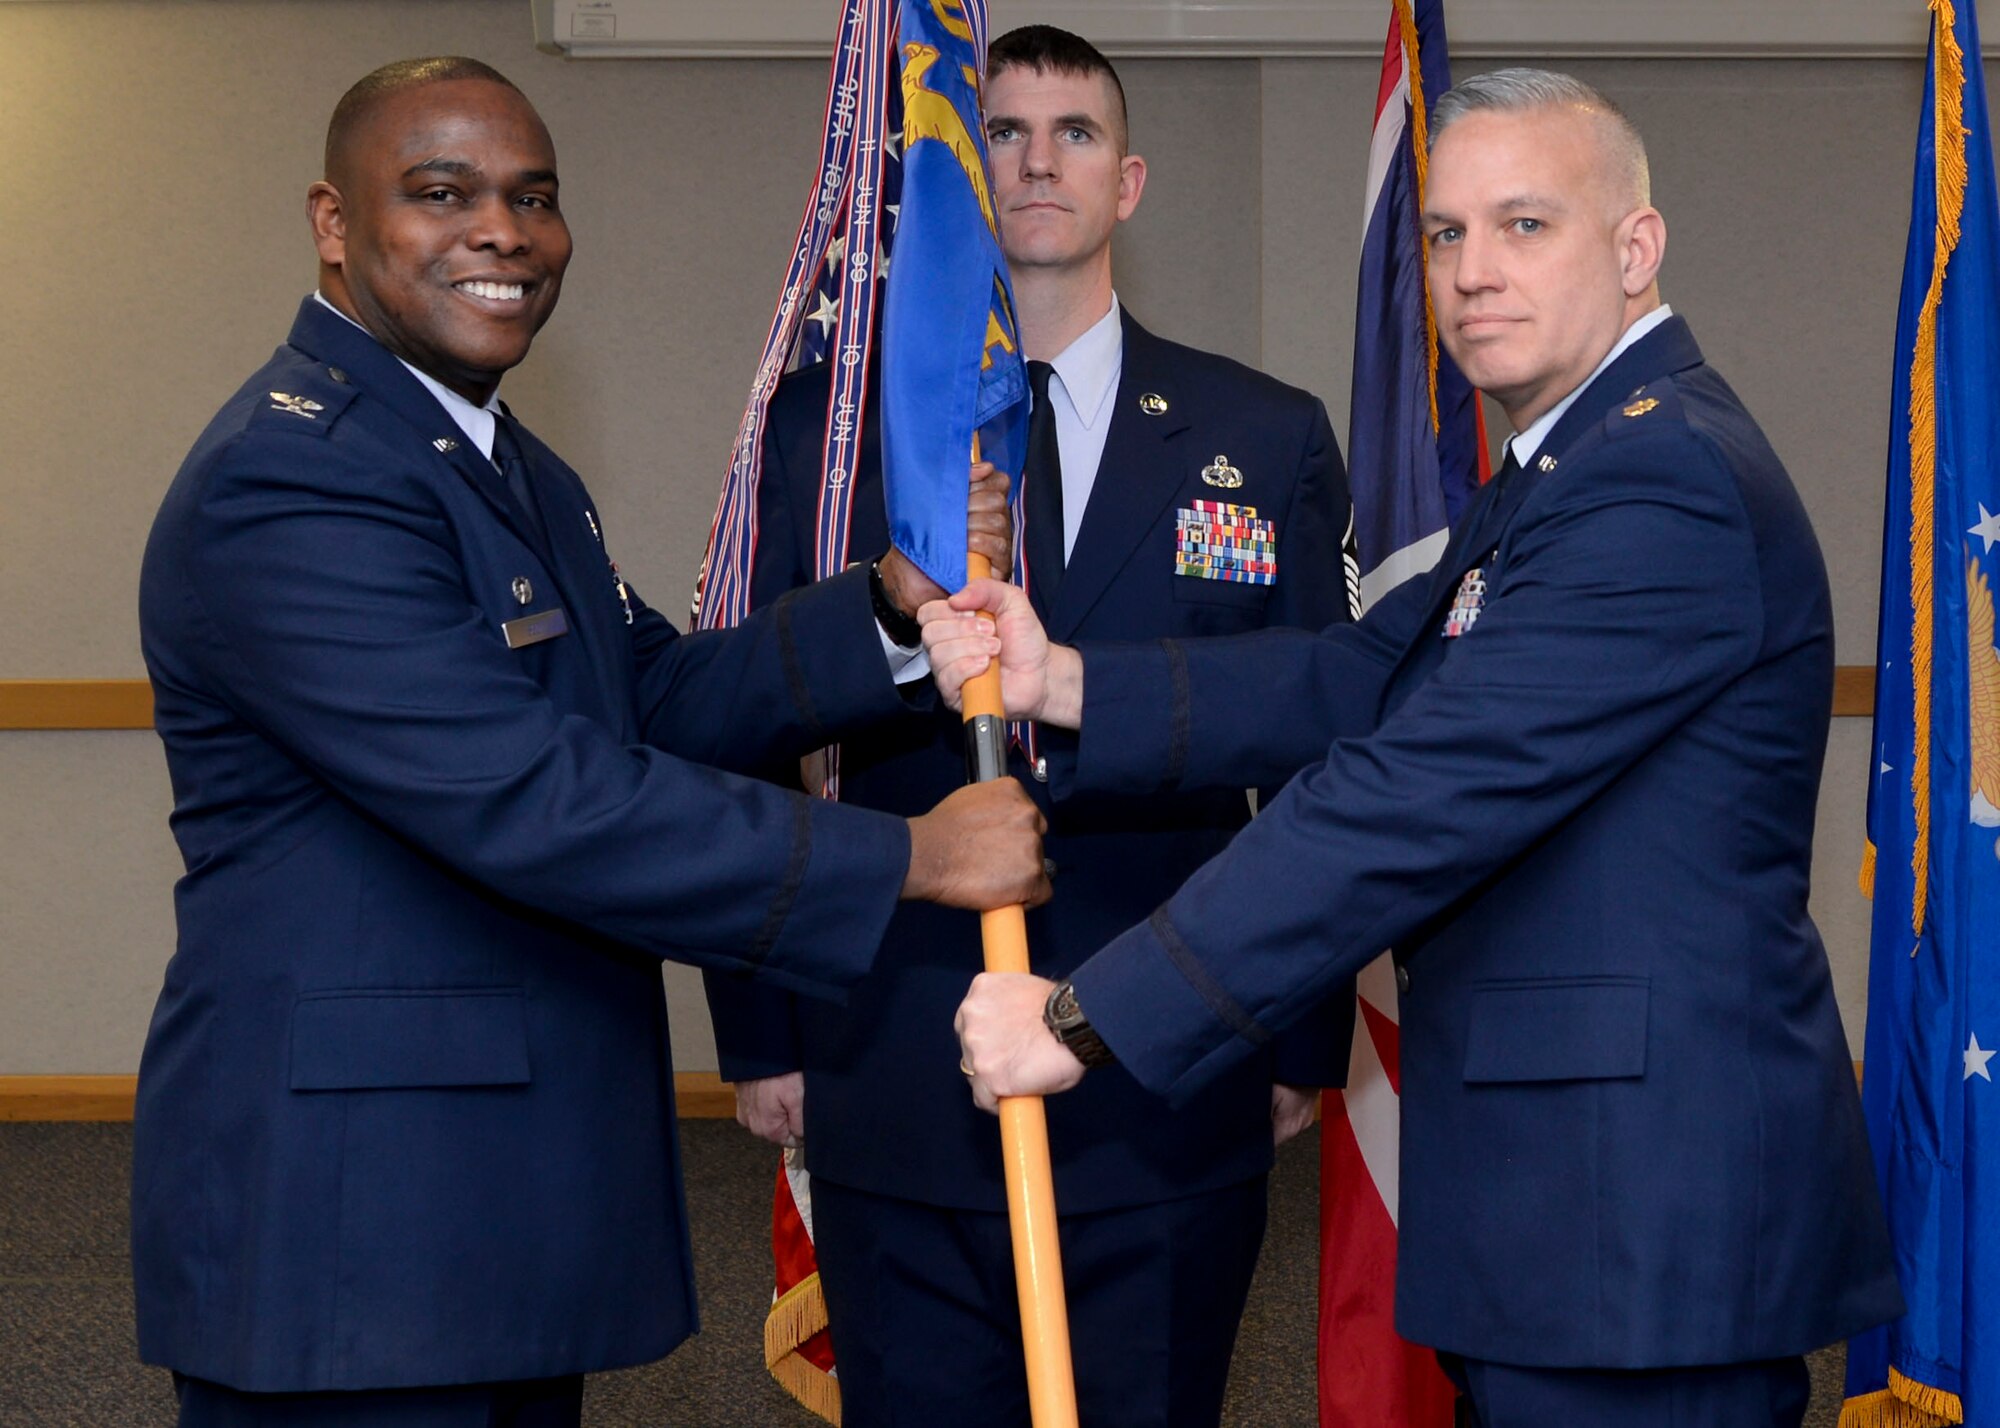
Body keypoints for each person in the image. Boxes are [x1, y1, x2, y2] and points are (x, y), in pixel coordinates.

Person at [933, 68, 1902, 1428]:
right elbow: (1363, 673)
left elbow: (1414, 795)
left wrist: (1087, 1018)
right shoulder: (1568, 467)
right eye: (1446, 236)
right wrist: (1069, 678)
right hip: (1572, 1206)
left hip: (1640, 1224)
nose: (1471, 273)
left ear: (1635, 249)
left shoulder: (1657, 477)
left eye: (1525, 226)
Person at [133, 56, 1048, 1427]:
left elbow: (650, 701)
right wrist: (906, 859)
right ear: (335, 223)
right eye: (442, 193)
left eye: (533, 197)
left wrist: (887, 612)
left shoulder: (506, 468)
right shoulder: (295, 478)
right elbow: (527, 793)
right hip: (351, 1227)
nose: (502, 231)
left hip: (489, 1201)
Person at [702, 25, 1355, 1428]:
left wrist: (1298, 1040)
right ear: (952, 170)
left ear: (1129, 183)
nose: (1037, 160)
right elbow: (749, 713)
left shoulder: (1265, 432)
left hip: (1165, 1067)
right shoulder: (834, 433)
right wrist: (758, 1027)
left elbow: (1320, 755)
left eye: (1075, 133)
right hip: (896, 1050)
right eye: (1001, 131)